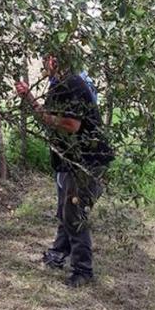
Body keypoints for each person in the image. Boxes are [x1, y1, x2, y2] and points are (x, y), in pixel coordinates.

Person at [15, 48, 113, 288]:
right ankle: (58, 253)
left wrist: (44, 115)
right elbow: (49, 115)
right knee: (65, 209)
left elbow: (70, 124)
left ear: (55, 59)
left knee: (73, 214)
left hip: (87, 162)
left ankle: (83, 270)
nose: (43, 62)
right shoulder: (59, 83)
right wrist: (29, 97)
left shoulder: (71, 84)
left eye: (46, 58)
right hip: (71, 161)